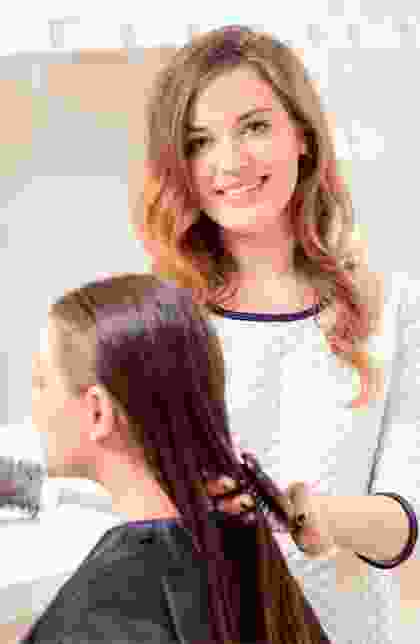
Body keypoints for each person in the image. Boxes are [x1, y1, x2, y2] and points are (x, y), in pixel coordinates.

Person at [135, 24, 419, 643]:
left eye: (255, 127)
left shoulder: (390, 305)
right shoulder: (159, 318)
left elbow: (408, 517)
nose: (231, 162)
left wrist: (325, 518)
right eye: (200, 142)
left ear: (303, 136)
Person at [22, 273, 332, 644]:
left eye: (41, 382)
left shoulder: (104, 610)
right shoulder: (247, 552)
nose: (33, 406)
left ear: (97, 412)